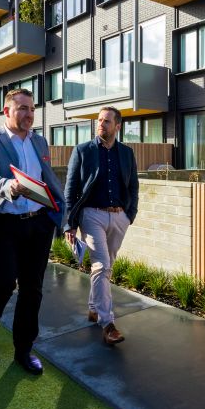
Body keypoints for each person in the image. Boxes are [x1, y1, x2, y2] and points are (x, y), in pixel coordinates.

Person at [0, 88, 64, 375]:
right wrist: (9, 186)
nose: (29, 114)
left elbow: (46, 178)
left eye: (32, 109)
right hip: (4, 224)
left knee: (32, 289)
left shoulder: (40, 141)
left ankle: (24, 350)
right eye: (22, 108)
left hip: (38, 224)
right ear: (6, 111)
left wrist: (58, 214)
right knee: (3, 284)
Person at [64, 106, 139, 345]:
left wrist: (129, 215)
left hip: (119, 217)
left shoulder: (126, 153)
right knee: (101, 265)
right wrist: (69, 224)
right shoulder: (83, 150)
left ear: (117, 126)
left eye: (106, 121)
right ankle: (108, 324)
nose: (101, 124)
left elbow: (133, 186)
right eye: (99, 120)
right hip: (91, 215)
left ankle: (93, 308)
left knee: (107, 267)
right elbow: (71, 189)